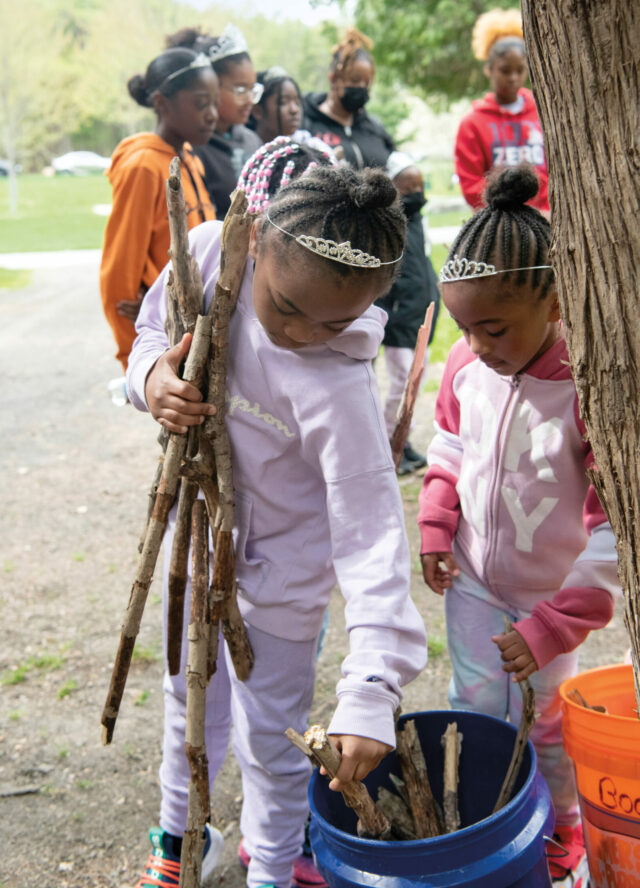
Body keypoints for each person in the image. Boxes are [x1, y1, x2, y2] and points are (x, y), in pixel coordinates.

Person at [126, 140, 428, 887]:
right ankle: (180, 837)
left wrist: (369, 687)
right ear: (255, 239)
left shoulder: (340, 387)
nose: (301, 333)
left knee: (272, 733)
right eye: (288, 308)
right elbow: (152, 335)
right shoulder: (207, 256)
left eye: (334, 323)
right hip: (200, 549)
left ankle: (274, 861)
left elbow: (372, 540)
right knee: (188, 700)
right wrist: (152, 379)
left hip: (286, 586)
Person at [417, 164, 619, 886]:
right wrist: (438, 525)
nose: (475, 344)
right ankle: (494, 821)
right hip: (473, 581)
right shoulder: (466, 370)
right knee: (474, 708)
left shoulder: (589, 391)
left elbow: (613, 539)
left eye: (493, 327)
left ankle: (561, 827)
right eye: (464, 327)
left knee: (549, 723)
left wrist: (555, 624)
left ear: (556, 302)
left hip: (549, 599)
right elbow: (448, 449)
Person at [100, 48, 218, 371]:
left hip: (202, 341)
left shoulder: (190, 158)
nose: (212, 114)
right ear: (161, 103)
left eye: (215, 103)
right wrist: (138, 364)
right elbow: (118, 280)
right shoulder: (143, 167)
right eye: (200, 103)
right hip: (168, 349)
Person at [375, 151, 440, 476]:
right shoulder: (391, 225)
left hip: (422, 316)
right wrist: (393, 314)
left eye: (420, 187)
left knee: (415, 382)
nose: (417, 195)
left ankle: (405, 440)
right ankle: (389, 440)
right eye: (408, 188)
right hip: (401, 321)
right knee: (402, 383)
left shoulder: (418, 223)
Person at [454, 9, 549, 212]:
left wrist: (547, 210)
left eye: (520, 70)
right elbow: (472, 185)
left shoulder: (545, 112)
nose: (513, 77)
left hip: (548, 219)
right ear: (489, 69)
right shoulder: (472, 123)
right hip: (498, 223)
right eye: (505, 70)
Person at [166, 24, 262, 219]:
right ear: (210, 86)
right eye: (241, 90)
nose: (250, 99)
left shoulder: (252, 140)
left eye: (253, 89)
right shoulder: (191, 147)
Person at [302, 28, 395, 169]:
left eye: (367, 83)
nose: (362, 87)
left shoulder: (375, 128)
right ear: (334, 79)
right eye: (355, 81)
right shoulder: (306, 124)